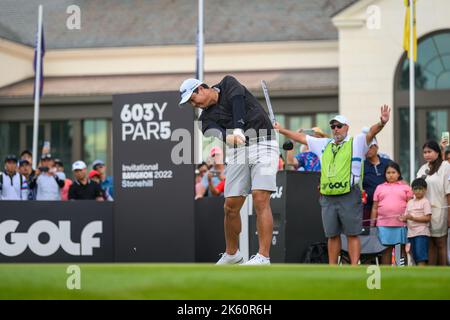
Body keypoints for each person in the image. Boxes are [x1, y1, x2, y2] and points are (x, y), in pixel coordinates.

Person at [179, 75, 279, 265]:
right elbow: (216, 132)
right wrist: (229, 136)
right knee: (230, 207)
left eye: (192, 99)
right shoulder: (204, 120)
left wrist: (239, 128)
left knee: (260, 197)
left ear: (201, 89)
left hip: (264, 143)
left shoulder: (228, 83)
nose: (194, 105)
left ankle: (263, 257)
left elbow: (238, 103)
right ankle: (233, 254)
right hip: (238, 152)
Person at [274, 105, 391, 265]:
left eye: (339, 126)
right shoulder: (324, 143)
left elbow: (371, 132)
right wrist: (281, 130)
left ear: (346, 128)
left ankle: (354, 266)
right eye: (333, 126)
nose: (335, 129)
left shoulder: (355, 142)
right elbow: (300, 138)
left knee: (352, 234)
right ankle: (332, 268)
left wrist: (382, 123)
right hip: (328, 196)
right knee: (332, 235)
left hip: (349, 194)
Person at [370, 162, 412, 265]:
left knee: (401, 249)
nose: (391, 175)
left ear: (398, 174)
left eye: (393, 172)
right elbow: (374, 208)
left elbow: (411, 206)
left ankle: (402, 273)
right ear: (385, 174)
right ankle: (386, 273)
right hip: (383, 225)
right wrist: (372, 224)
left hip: (401, 224)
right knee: (386, 250)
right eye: (388, 172)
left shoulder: (406, 187)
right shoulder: (380, 187)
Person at [416, 140, 449, 266]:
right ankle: (432, 272)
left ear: (437, 152)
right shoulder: (423, 169)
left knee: (440, 243)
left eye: (429, 152)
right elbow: (416, 186)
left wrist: (449, 216)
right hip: (424, 211)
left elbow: (448, 192)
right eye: (424, 152)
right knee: (429, 243)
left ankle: (444, 272)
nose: (427, 155)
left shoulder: (445, 166)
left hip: (440, 210)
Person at [400, 178, 432, 266]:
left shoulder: (425, 202)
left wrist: (413, 218)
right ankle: (419, 274)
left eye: (420, 189)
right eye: (415, 189)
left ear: (425, 190)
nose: (418, 191)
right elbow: (406, 216)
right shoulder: (410, 202)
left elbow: (428, 218)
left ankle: (423, 276)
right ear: (412, 190)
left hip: (421, 233)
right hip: (411, 234)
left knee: (421, 257)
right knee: (414, 256)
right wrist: (402, 218)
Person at [362, 138, 391, 227]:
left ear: (376, 147)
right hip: (367, 206)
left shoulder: (388, 162)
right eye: (364, 148)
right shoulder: (361, 164)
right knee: (368, 234)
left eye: (370, 147)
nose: (367, 150)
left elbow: (398, 180)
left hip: (386, 206)